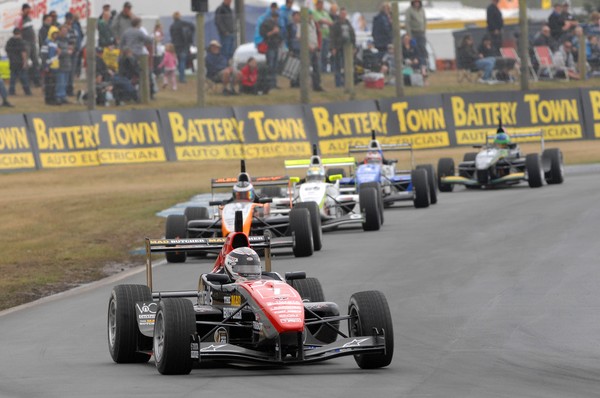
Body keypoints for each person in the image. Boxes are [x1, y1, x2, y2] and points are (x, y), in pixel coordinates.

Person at [15, 4, 41, 87]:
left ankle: (36, 80)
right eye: (27, 9)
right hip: (25, 42)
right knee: (25, 63)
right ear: (23, 9)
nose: (29, 11)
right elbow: (17, 30)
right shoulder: (19, 18)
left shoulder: (29, 18)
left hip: (32, 42)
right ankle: (26, 82)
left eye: (29, 9)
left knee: (35, 62)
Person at [330, 7, 355, 87]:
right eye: (342, 13)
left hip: (347, 47)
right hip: (338, 47)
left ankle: (346, 82)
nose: (343, 15)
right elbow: (332, 36)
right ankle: (338, 83)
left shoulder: (348, 23)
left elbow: (352, 35)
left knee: (346, 65)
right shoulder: (336, 24)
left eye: (345, 14)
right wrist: (333, 47)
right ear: (339, 14)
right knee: (338, 65)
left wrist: (354, 46)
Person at [169, 12, 195, 84]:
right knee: (182, 61)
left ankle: (180, 76)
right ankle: (182, 78)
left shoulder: (172, 26)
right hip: (184, 44)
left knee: (179, 61)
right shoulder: (183, 23)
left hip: (176, 45)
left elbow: (172, 36)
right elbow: (192, 26)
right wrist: (190, 36)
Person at [5, 28, 32, 96]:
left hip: (12, 62)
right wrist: (25, 62)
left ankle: (11, 91)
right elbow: (23, 53)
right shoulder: (21, 42)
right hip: (20, 62)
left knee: (12, 78)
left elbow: (7, 50)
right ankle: (27, 92)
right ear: (20, 33)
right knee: (24, 78)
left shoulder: (9, 41)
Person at [260, 11, 283, 90]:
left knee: (275, 66)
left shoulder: (277, 24)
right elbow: (263, 34)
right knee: (270, 65)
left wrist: (280, 41)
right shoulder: (266, 24)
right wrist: (273, 32)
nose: (276, 19)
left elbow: (280, 35)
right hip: (270, 47)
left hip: (276, 46)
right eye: (275, 17)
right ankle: (269, 83)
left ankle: (274, 83)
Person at [405, 0, 428, 69]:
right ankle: (416, 65)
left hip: (421, 33)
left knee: (422, 49)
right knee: (415, 49)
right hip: (413, 33)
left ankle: (424, 65)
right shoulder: (409, 10)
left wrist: (424, 30)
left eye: (418, 2)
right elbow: (407, 22)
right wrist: (409, 34)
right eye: (415, 2)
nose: (417, 3)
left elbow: (424, 20)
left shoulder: (422, 10)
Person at [313, 0, 333, 73]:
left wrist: (327, 22)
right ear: (317, 5)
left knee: (325, 54)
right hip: (320, 37)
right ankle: (320, 70)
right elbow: (320, 20)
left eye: (322, 4)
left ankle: (324, 70)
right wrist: (326, 22)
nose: (321, 6)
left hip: (327, 36)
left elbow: (331, 22)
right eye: (320, 4)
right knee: (320, 55)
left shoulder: (325, 13)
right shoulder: (314, 12)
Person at [55, 24, 73, 104]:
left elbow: (71, 50)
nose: (65, 32)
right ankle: (59, 96)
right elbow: (58, 52)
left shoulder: (67, 40)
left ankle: (63, 96)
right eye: (63, 31)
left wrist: (66, 52)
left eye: (66, 31)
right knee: (60, 82)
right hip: (60, 64)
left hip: (67, 63)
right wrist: (67, 52)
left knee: (65, 82)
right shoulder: (57, 41)